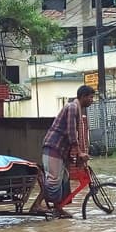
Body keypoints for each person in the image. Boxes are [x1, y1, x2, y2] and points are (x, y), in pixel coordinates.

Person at [40, 85, 95, 218]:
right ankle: (37, 204)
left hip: (61, 150)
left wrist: (77, 154)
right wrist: (79, 152)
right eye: (91, 97)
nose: (92, 100)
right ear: (83, 96)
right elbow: (71, 132)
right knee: (53, 181)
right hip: (54, 147)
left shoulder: (77, 109)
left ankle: (58, 208)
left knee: (64, 180)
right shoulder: (72, 107)